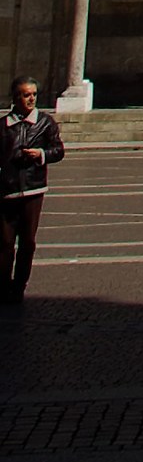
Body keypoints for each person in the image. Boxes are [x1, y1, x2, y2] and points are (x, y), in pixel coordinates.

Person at [2, 76, 64, 303]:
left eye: (34, 94)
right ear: (16, 97)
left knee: (27, 241)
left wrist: (42, 155)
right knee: (5, 243)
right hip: (6, 191)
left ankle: (19, 286)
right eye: (26, 95)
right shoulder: (3, 126)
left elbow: (58, 150)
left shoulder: (45, 123)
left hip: (33, 189)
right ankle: (3, 286)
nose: (31, 99)